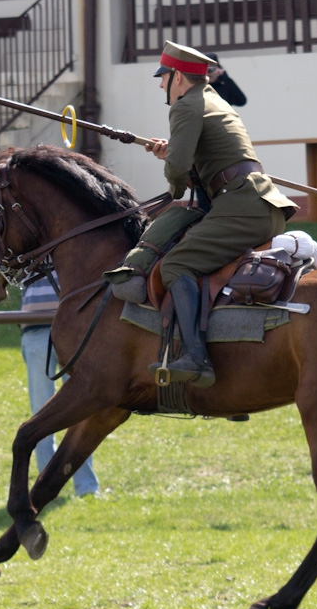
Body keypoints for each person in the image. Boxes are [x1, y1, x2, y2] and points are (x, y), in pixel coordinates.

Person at [103, 41, 297, 389]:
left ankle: (195, 358)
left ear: (178, 76)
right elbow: (204, 161)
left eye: (163, 77)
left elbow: (179, 170)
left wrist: (174, 182)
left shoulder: (185, 106)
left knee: (177, 265)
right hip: (259, 206)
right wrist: (173, 153)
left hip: (240, 209)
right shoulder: (213, 100)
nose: (161, 85)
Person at [19, 276, 99, 497]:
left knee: (79, 413)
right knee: (42, 414)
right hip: (38, 329)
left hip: (74, 330)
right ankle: (48, 488)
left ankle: (85, 487)